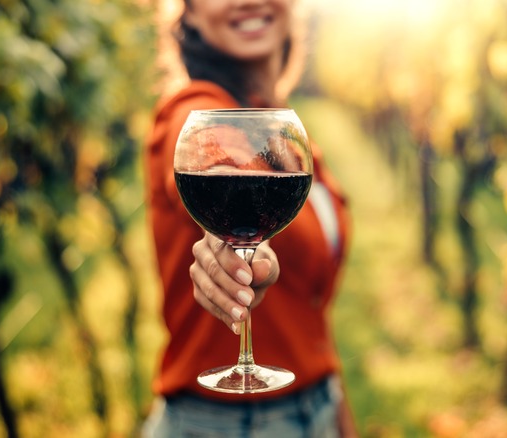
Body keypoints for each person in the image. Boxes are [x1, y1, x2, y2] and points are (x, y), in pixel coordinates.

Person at [143, 0, 357, 436]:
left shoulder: (282, 128)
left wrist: (339, 415)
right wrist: (240, 248)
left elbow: (310, 310)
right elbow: (213, 163)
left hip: (316, 408)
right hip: (223, 423)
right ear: (190, 13)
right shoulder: (193, 109)